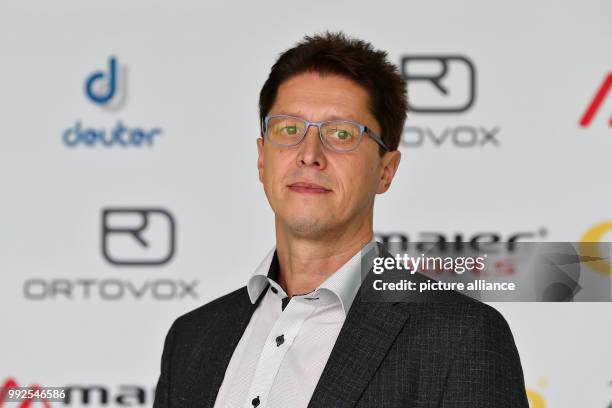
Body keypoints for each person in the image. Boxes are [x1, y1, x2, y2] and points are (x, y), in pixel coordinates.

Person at [152, 31, 529, 408]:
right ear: (262, 158)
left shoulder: (460, 337)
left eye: (342, 134)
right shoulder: (191, 340)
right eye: (288, 129)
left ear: (386, 170)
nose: (309, 154)